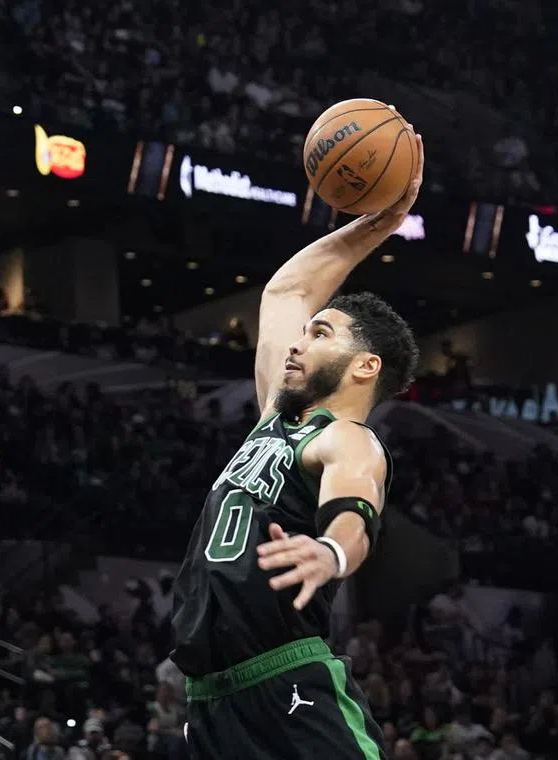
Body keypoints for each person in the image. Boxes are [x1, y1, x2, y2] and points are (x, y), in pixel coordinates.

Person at [169, 133, 425, 760]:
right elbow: (286, 292)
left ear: (365, 367)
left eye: (320, 333)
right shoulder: (271, 421)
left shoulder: (346, 439)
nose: (295, 342)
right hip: (210, 702)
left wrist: (332, 552)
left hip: (287, 687)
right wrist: (381, 223)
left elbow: (355, 507)